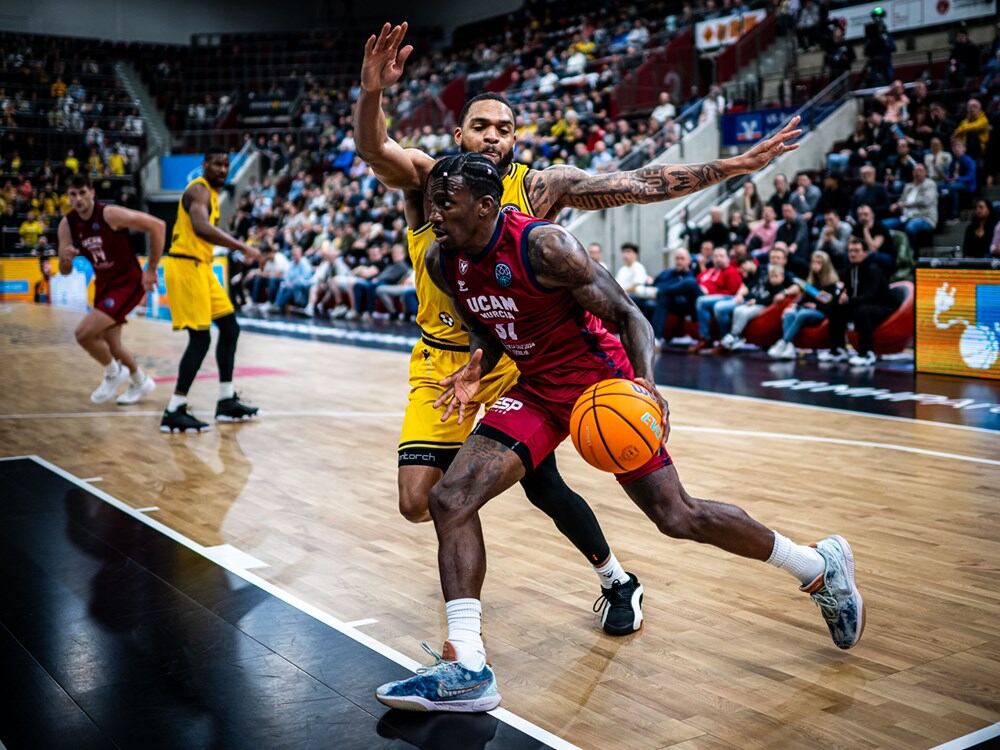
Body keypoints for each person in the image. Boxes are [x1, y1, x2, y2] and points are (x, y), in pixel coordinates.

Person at [354, 21, 804, 634]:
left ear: (517, 139)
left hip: (529, 358)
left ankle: (611, 583)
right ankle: (590, 590)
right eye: (480, 126)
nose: (492, 136)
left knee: (556, 492)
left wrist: (736, 164)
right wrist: (372, 93)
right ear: (459, 134)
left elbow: (641, 184)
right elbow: (376, 149)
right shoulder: (438, 183)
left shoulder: (542, 190)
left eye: (504, 128)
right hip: (453, 356)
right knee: (421, 502)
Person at [374, 154, 865, 712]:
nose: (433, 213)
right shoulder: (445, 260)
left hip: (600, 385)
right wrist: (476, 364)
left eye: (446, 202)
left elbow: (630, 315)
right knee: (451, 497)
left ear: (486, 206)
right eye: (432, 200)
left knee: (678, 516)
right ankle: (467, 665)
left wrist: (646, 384)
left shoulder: (545, 247)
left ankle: (817, 567)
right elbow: (487, 324)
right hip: (536, 389)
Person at [160, 148, 261, 433]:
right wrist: (241, 246)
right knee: (200, 339)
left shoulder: (213, 195)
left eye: (226, 164)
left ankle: (226, 400)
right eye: (217, 163)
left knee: (230, 328)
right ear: (205, 165)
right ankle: (174, 409)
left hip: (201, 267)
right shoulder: (199, 191)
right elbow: (201, 227)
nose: (222, 168)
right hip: (185, 266)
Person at [57, 175, 162, 405]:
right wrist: (66, 260)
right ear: (68, 197)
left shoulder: (110, 214)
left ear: (92, 192)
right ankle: (140, 380)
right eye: (73, 194)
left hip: (127, 283)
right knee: (113, 344)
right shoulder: (67, 224)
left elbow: (157, 225)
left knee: (83, 334)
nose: (78, 199)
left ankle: (114, 372)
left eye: (82, 192)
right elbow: (64, 271)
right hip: (104, 285)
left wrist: (151, 269)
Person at [823, 237, 896, 366]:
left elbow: (871, 296)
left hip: (882, 307)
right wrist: (839, 298)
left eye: (856, 250)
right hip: (860, 304)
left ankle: (867, 353)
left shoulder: (874, 269)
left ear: (865, 253)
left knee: (862, 311)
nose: (852, 254)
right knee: (834, 308)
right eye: (850, 250)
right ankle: (839, 349)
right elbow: (846, 291)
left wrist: (849, 300)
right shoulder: (850, 269)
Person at [769, 250, 842, 359]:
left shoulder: (833, 282)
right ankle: (789, 347)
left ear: (825, 265)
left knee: (803, 313)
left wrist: (816, 305)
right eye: (813, 262)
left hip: (823, 313)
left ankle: (783, 342)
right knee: (790, 314)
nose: (815, 265)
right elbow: (804, 298)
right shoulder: (811, 280)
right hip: (807, 310)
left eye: (819, 263)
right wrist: (796, 305)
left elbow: (832, 304)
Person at [719, 261, 796, 351]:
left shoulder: (781, 289)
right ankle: (736, 336)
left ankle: (734, 334)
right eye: (771, 276)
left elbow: (769, 300)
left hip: (764, 308)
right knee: (738, 309)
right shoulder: (767, 285)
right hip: (756, 304)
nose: (773, 279)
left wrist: (756, 301)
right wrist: (752, 300)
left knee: (745, 313)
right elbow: (758, 294)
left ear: (782, 278)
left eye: (776, 276)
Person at [650, 247, 697, 346]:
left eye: (682, 259)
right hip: (660, 299)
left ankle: (656, 337)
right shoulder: (666, 273)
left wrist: (661, 290)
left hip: (683, 305)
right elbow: (652, 285)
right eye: (677, 258)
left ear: (688, 261)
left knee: (664, 298)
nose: (679, 261)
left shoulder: (690, 277)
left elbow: (673, 290)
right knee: (639, 300)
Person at [883, 163, 937, 248]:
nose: (917, 173)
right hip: (906, 218)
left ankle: (911, 254)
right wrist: (896, 205)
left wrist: (904, 204)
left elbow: (926, 201)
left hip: (924, 218)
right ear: (912, 173)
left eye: (920, 170)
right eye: (915, 170)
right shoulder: (908, 186)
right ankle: (893, 251)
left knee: (911, 227)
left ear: (925, 172)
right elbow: (901, 200)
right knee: (883, 225)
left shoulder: (930, 184)